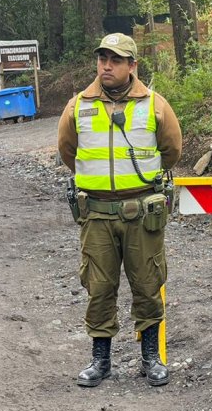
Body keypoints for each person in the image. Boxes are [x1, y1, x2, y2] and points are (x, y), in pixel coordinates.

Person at [57, 33, 182, 388]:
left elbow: (171, 150)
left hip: (141, 212)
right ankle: (101, 359)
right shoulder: (77, 106)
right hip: (96, 213)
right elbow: (69, 151)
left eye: (115, 60)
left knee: (147, 283)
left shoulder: (156, 105)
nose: (107, 66)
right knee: (99, 286)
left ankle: (150, 358)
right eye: (102, 59)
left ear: (132, 65)